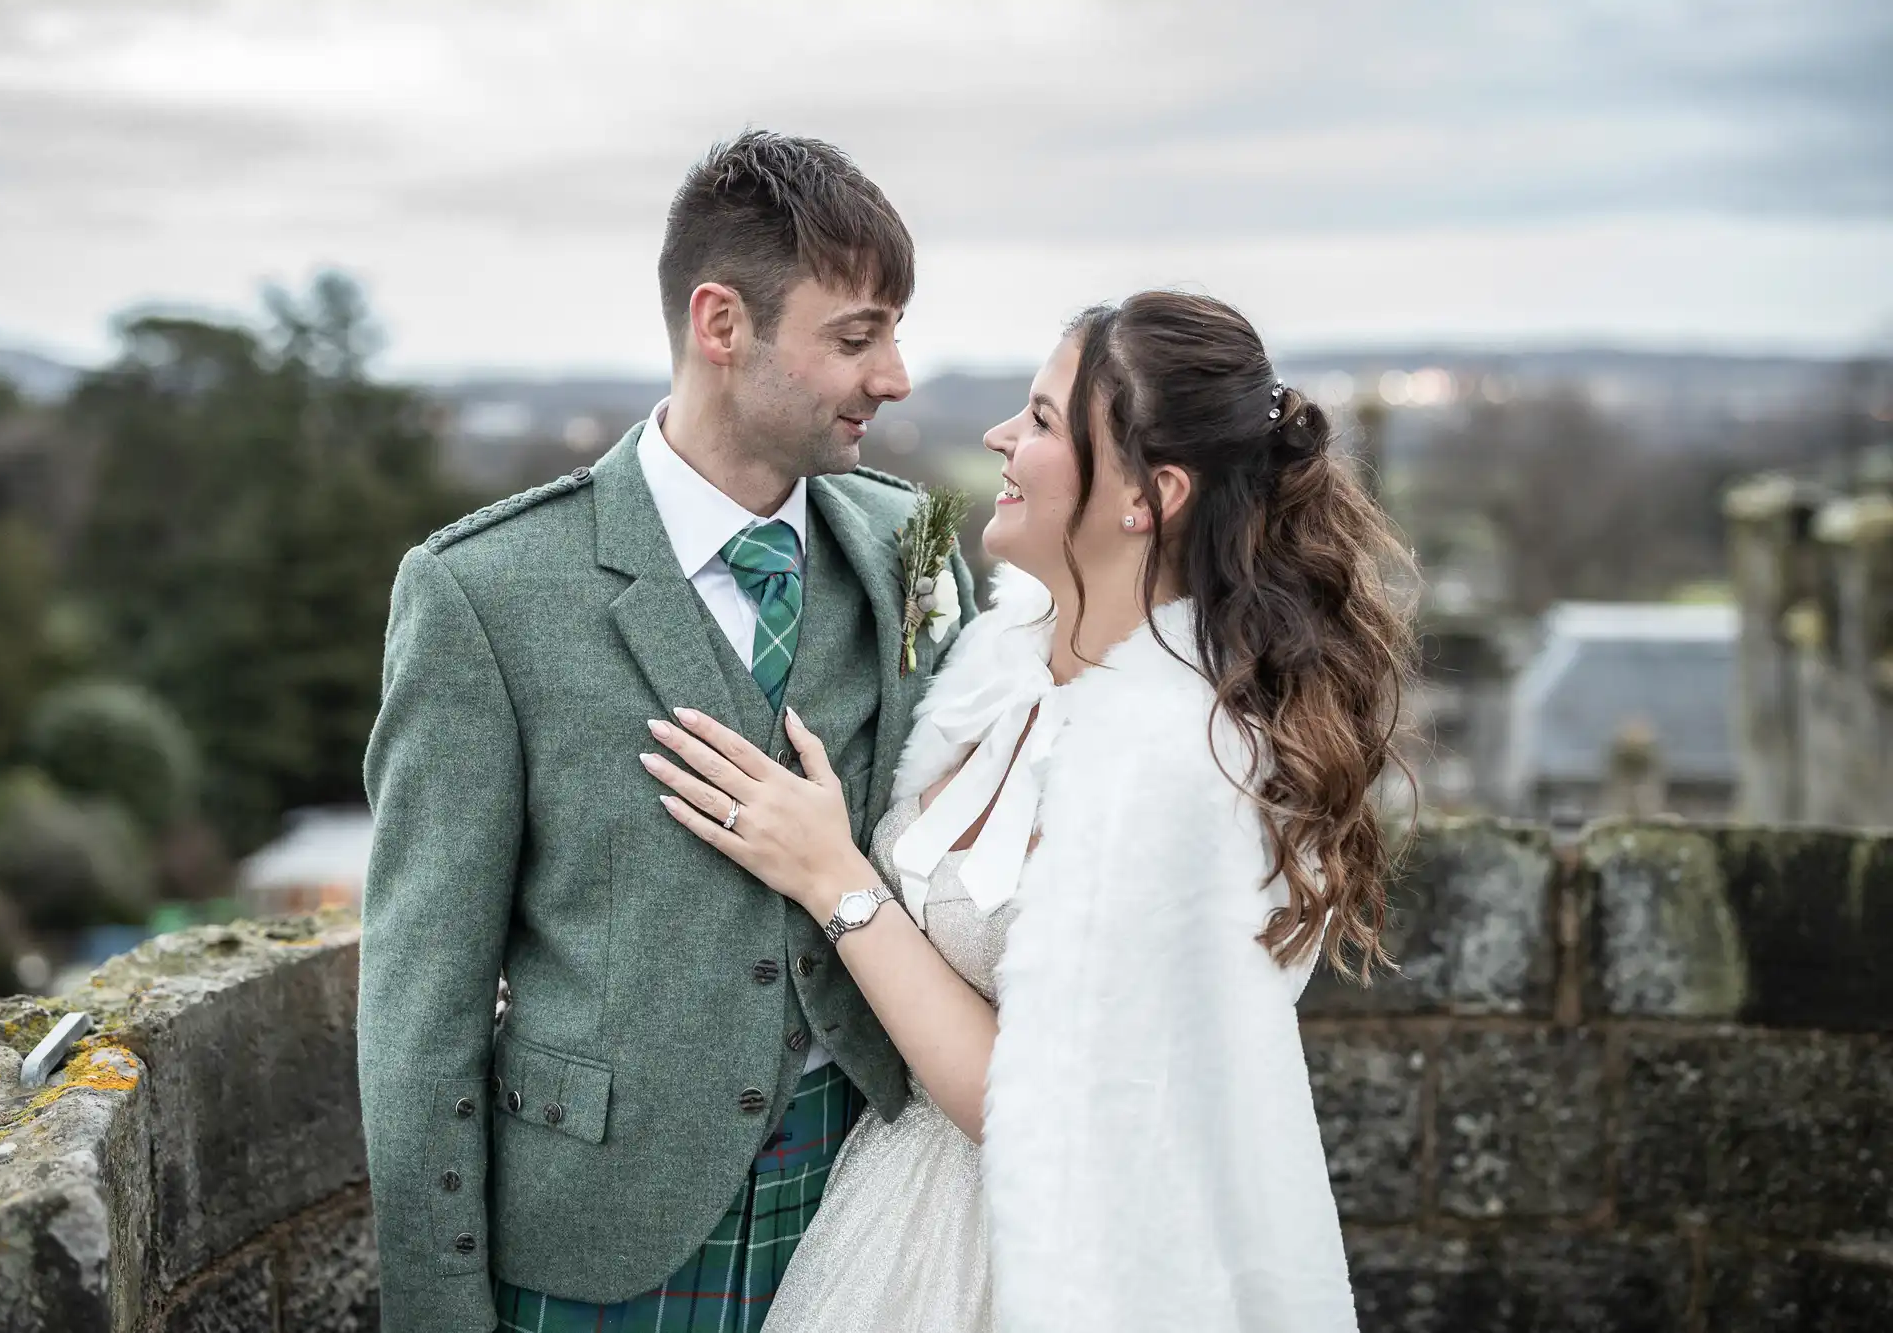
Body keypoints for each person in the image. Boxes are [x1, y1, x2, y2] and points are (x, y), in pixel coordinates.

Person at [641, 290, 1417, 1331]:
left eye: (1044, 421)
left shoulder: (1189, 760)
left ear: (1148, 494)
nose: (1001, 436)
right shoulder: (996, 662)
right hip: (889, 1209)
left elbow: (1038, 1107)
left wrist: (835, 879)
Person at [356, 130, 977, 1332]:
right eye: (855, 337)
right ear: (721, 323)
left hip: (862, 1198)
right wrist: (438, 1308)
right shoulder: (485, 592)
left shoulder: (911, 549)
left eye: (892, 332)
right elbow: (418, 1007)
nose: (894, 377)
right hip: (595, 1232)